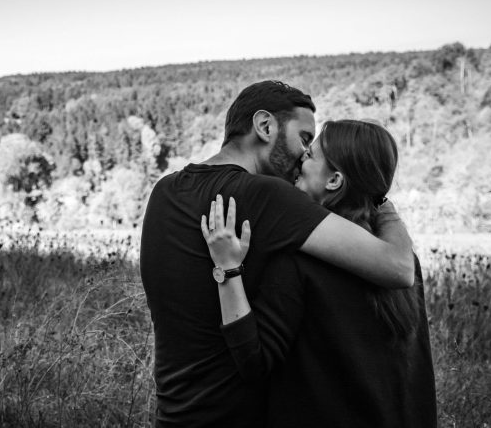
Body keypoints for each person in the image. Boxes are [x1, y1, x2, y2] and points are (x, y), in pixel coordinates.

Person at [140, 81, 415, 427]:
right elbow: (398, 266)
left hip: (174, 414)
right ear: (265, 126)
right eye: (304, 138)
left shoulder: (165, 191)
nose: (305, 154)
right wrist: (378, 197)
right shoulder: (268, 196)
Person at [201, 120, 437, 427]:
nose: (301, 158)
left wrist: (227, 268)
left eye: (311, 155)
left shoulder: (300, 262)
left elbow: (253, 361)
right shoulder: (404, 259)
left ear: (335, 180)